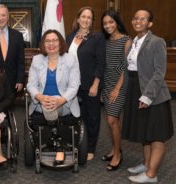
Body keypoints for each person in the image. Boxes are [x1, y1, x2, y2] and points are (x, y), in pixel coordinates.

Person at [122, 9, 174, 183]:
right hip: (135, 89)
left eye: (143, 19)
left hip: (153, 93)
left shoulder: (156, 41)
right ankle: (146, 164)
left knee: (156, 134)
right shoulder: (133, 42)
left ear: (150, 23)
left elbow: (159, 73)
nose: (138, 21)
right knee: (144, 131)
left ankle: (152, 174)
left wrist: (147, 96)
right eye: (135, 18)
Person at [27, 29, 80, 165]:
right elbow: (31, 85)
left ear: (60, 42)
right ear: (43, 44)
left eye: (54, 40)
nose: (51, 43)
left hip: (64, 103)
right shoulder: (37, 60)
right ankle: (59, 144)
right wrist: (40, 97)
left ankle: (57, 144)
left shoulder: (70, 59)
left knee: (51, 107)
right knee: (49, 107)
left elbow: (74, 85)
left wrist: (60, 100)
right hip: (41, 103)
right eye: (47, 41)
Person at [66, 6, 105, 161]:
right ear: (78, 19)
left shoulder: (97, 38)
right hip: (72, 85)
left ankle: (90, 148)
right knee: (75, 115)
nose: (86, 19)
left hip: (90, 84)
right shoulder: (70, 37)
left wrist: (96, 84)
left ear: (91, 21)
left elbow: (101, 63)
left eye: (89, 17)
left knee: (92, 117)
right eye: (83, 16)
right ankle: (77, 143)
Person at [100, 10, 132, 171]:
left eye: (111, 22)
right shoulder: (105, 41)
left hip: (119, 84)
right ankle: (114, 149)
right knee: (114, 122)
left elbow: (126, 68)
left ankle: (118, 155)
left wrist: (117, 89)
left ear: (117, 22)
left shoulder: (126, 40)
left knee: (112, 121)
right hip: (106, 83)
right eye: (105, 23)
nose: (108, 26)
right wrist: (102, 88)